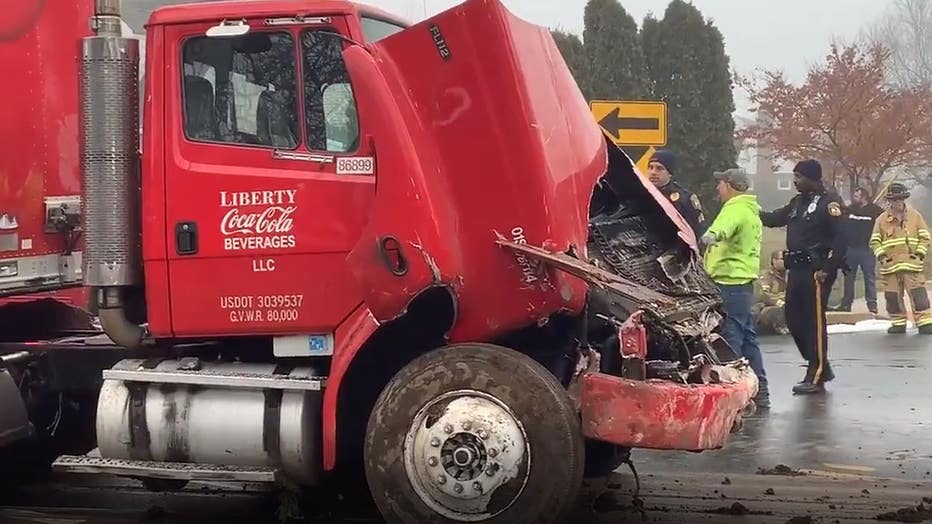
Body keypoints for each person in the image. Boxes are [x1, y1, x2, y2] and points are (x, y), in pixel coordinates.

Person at [760, 159, 846, 395]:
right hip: (795, 269)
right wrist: (746, 208)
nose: (795, 181)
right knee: (794, 319)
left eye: (799, 177)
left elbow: (840, 239)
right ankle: (820, 365)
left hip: (816, 270)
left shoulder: (830, 203)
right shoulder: (797, 202)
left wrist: (827, 268)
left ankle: (816, 376)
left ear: (812, 178)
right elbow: (774, 218)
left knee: (814, 323)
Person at [700, 168, 769, 408]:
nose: (717, 188)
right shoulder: (750, 209)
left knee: (731, 338)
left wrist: (710, 235)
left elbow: (723, 228)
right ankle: (760, 392)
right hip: (742, 282)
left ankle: (735, 396)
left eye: (720, 183)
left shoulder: (735, 208)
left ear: (729, 185)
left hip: (729, 281)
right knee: (747, 337)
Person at [869, 183, 931, 334]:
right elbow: (874, 241)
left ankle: (925, 322)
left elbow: (925, 237)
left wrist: (920, 254)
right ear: (889, 201)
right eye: (893, 200)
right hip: (890, 267)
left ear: (904, 199)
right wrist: (882, 256)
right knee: (892, 297)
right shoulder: (881, 220)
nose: (896, 203)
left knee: (919, 295)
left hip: (912, 266)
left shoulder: (915, 216)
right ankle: (898, 322)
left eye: (899, 199)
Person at [831, 186, 883, 313]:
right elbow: (840, 221)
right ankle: (846, 304)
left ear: (864, 197)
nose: (854, 198)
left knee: (869, 277)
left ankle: (872, 305)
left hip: (867, 249)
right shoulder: (850, 210)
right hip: (851, 249)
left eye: (856, 196)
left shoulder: (875, 211)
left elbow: (884, 223)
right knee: (848, 278)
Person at [646, 149, 706, 238]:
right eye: (651, 167)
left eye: (659, 168)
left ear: (670, 173)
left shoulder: (684, 199)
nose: (653, 172)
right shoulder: (638, 195)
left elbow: (697, 231)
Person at [753, 250, 790, 335]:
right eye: (781, 259)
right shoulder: (766, 275)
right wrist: (781, 301)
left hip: (787, 305)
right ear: (774, 261)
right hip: (767, 307)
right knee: (774, 310)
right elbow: (764, 295)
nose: (785, 261)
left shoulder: (791, 275)